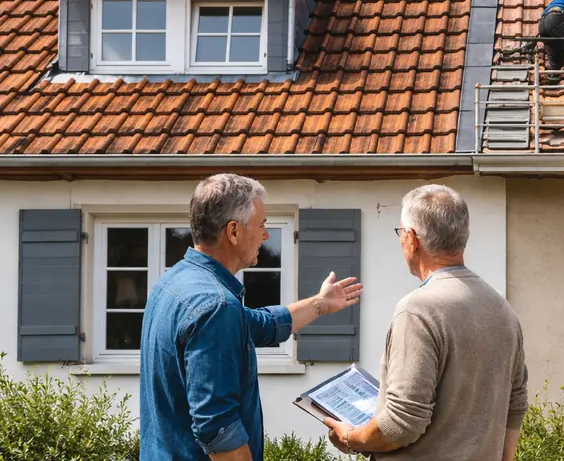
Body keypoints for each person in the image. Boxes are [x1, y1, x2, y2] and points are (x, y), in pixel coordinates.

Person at [139, 173, 363, 461]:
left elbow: (261, 325)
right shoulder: (216, 306)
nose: (266, 235)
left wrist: (321, 303)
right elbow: (217, 429)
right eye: (261, 225)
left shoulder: (173, 282)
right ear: (233, 232)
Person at [325, 184, 529, 461]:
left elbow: (401, 423)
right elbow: (515, 404)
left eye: (400, 232)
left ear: (412, 239)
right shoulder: (502, 309)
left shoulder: (417, 309)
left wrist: (351, 438)